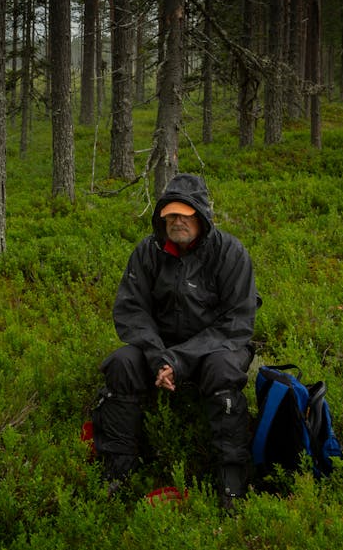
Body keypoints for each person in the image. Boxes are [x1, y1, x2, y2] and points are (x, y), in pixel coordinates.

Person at [92, 173, 259, 509]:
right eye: (170, 214)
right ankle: (117, 472)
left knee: (224, 370)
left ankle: (232, 484)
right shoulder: (147, 252)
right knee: (122, 363)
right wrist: (158, 358)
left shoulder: (230, 253)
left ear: (202, 217)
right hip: (161, 352)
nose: (177, 221)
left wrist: (179, 360)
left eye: (185, 214)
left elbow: (236, 323)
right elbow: (131, 311)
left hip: (215, 350)